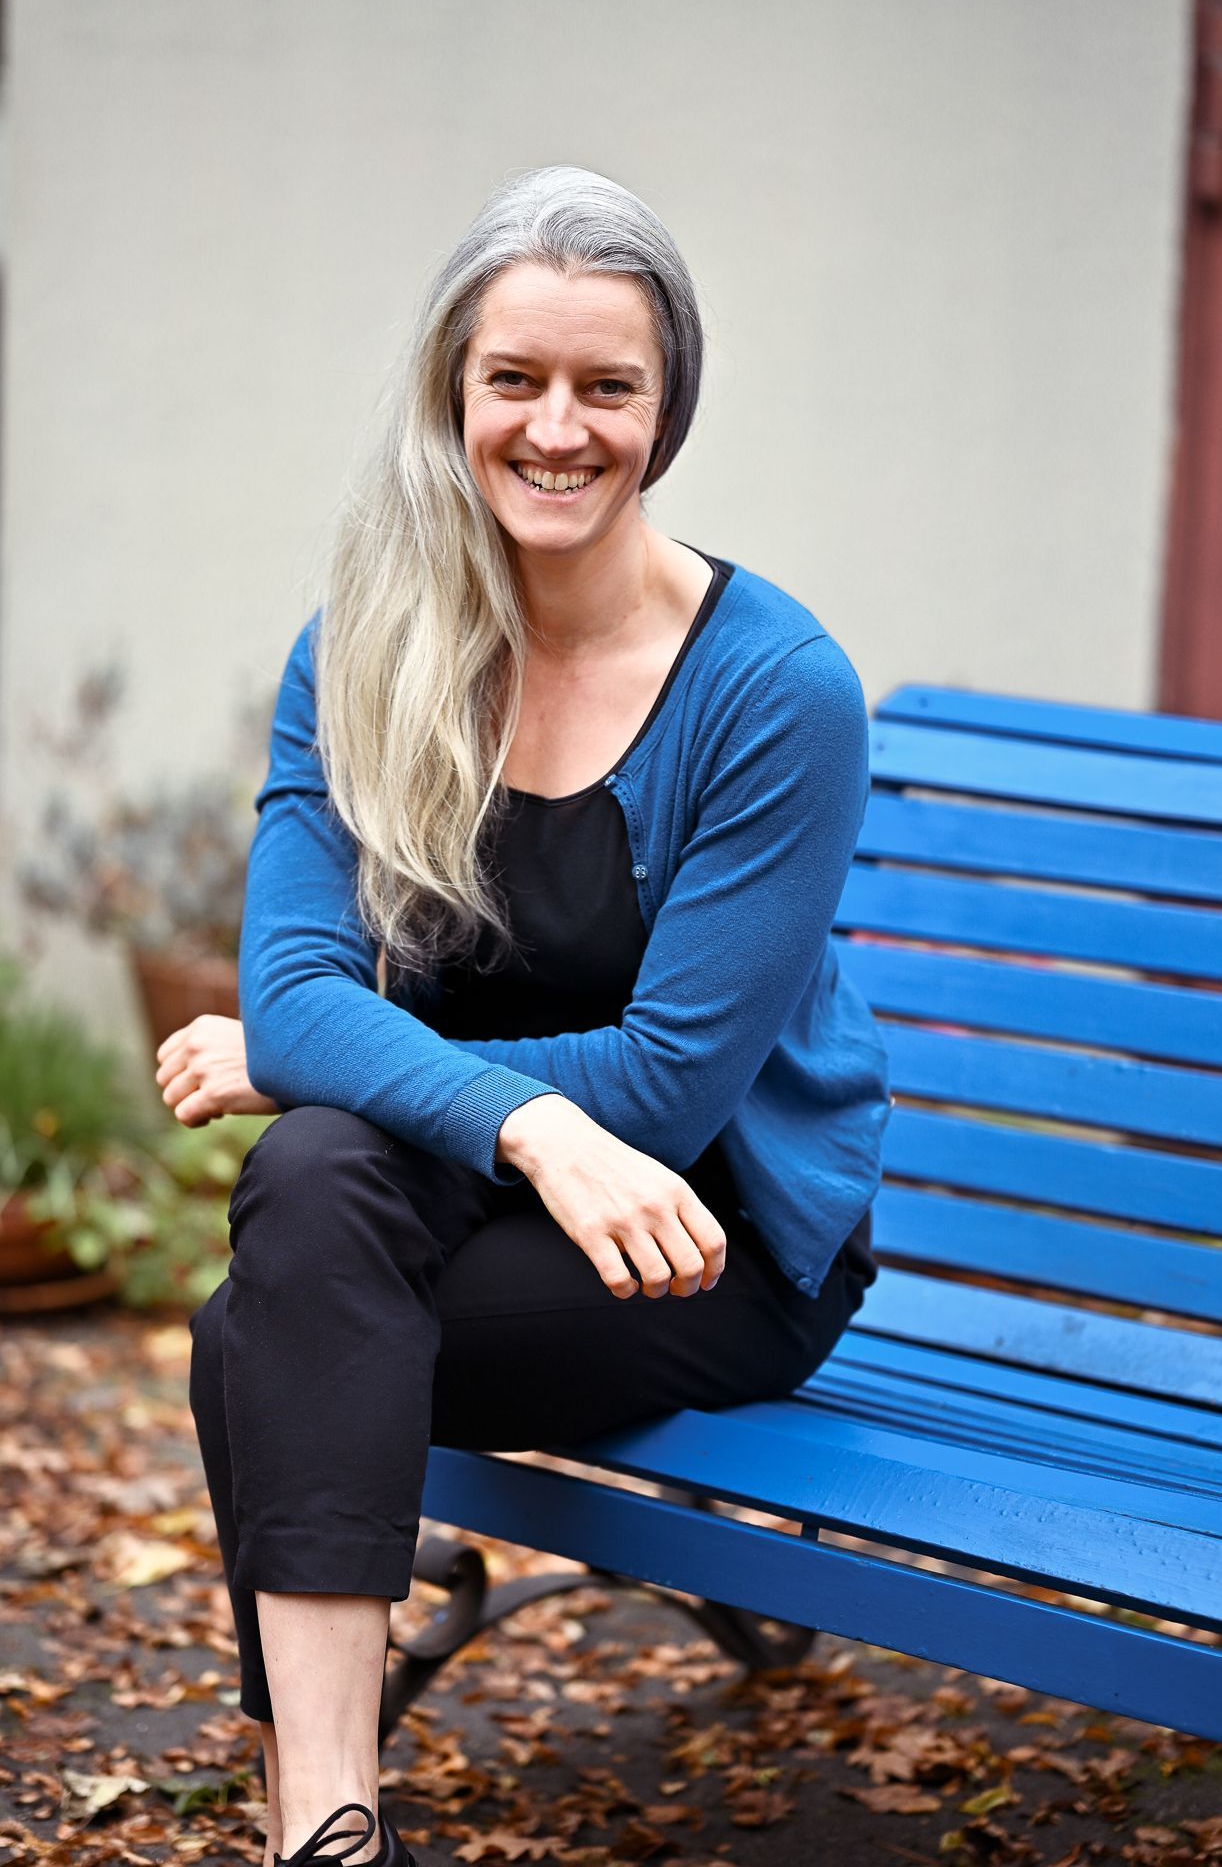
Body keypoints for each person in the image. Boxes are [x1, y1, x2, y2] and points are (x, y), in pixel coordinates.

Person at [161, 165, 892, 1867]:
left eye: (606, 387)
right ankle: (328, 1835)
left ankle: (338, 1706)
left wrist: (315, 1063)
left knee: (264, 1315)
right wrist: (526, 1123)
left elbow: (667, 1084)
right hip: (492, 1180)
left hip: (709, 1238)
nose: (555, 429)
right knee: (312, 1198)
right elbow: (294, 991)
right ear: (455, 395)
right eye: (515, 381)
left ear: (665, 411)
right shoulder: (362, 651)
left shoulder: (772, 692)